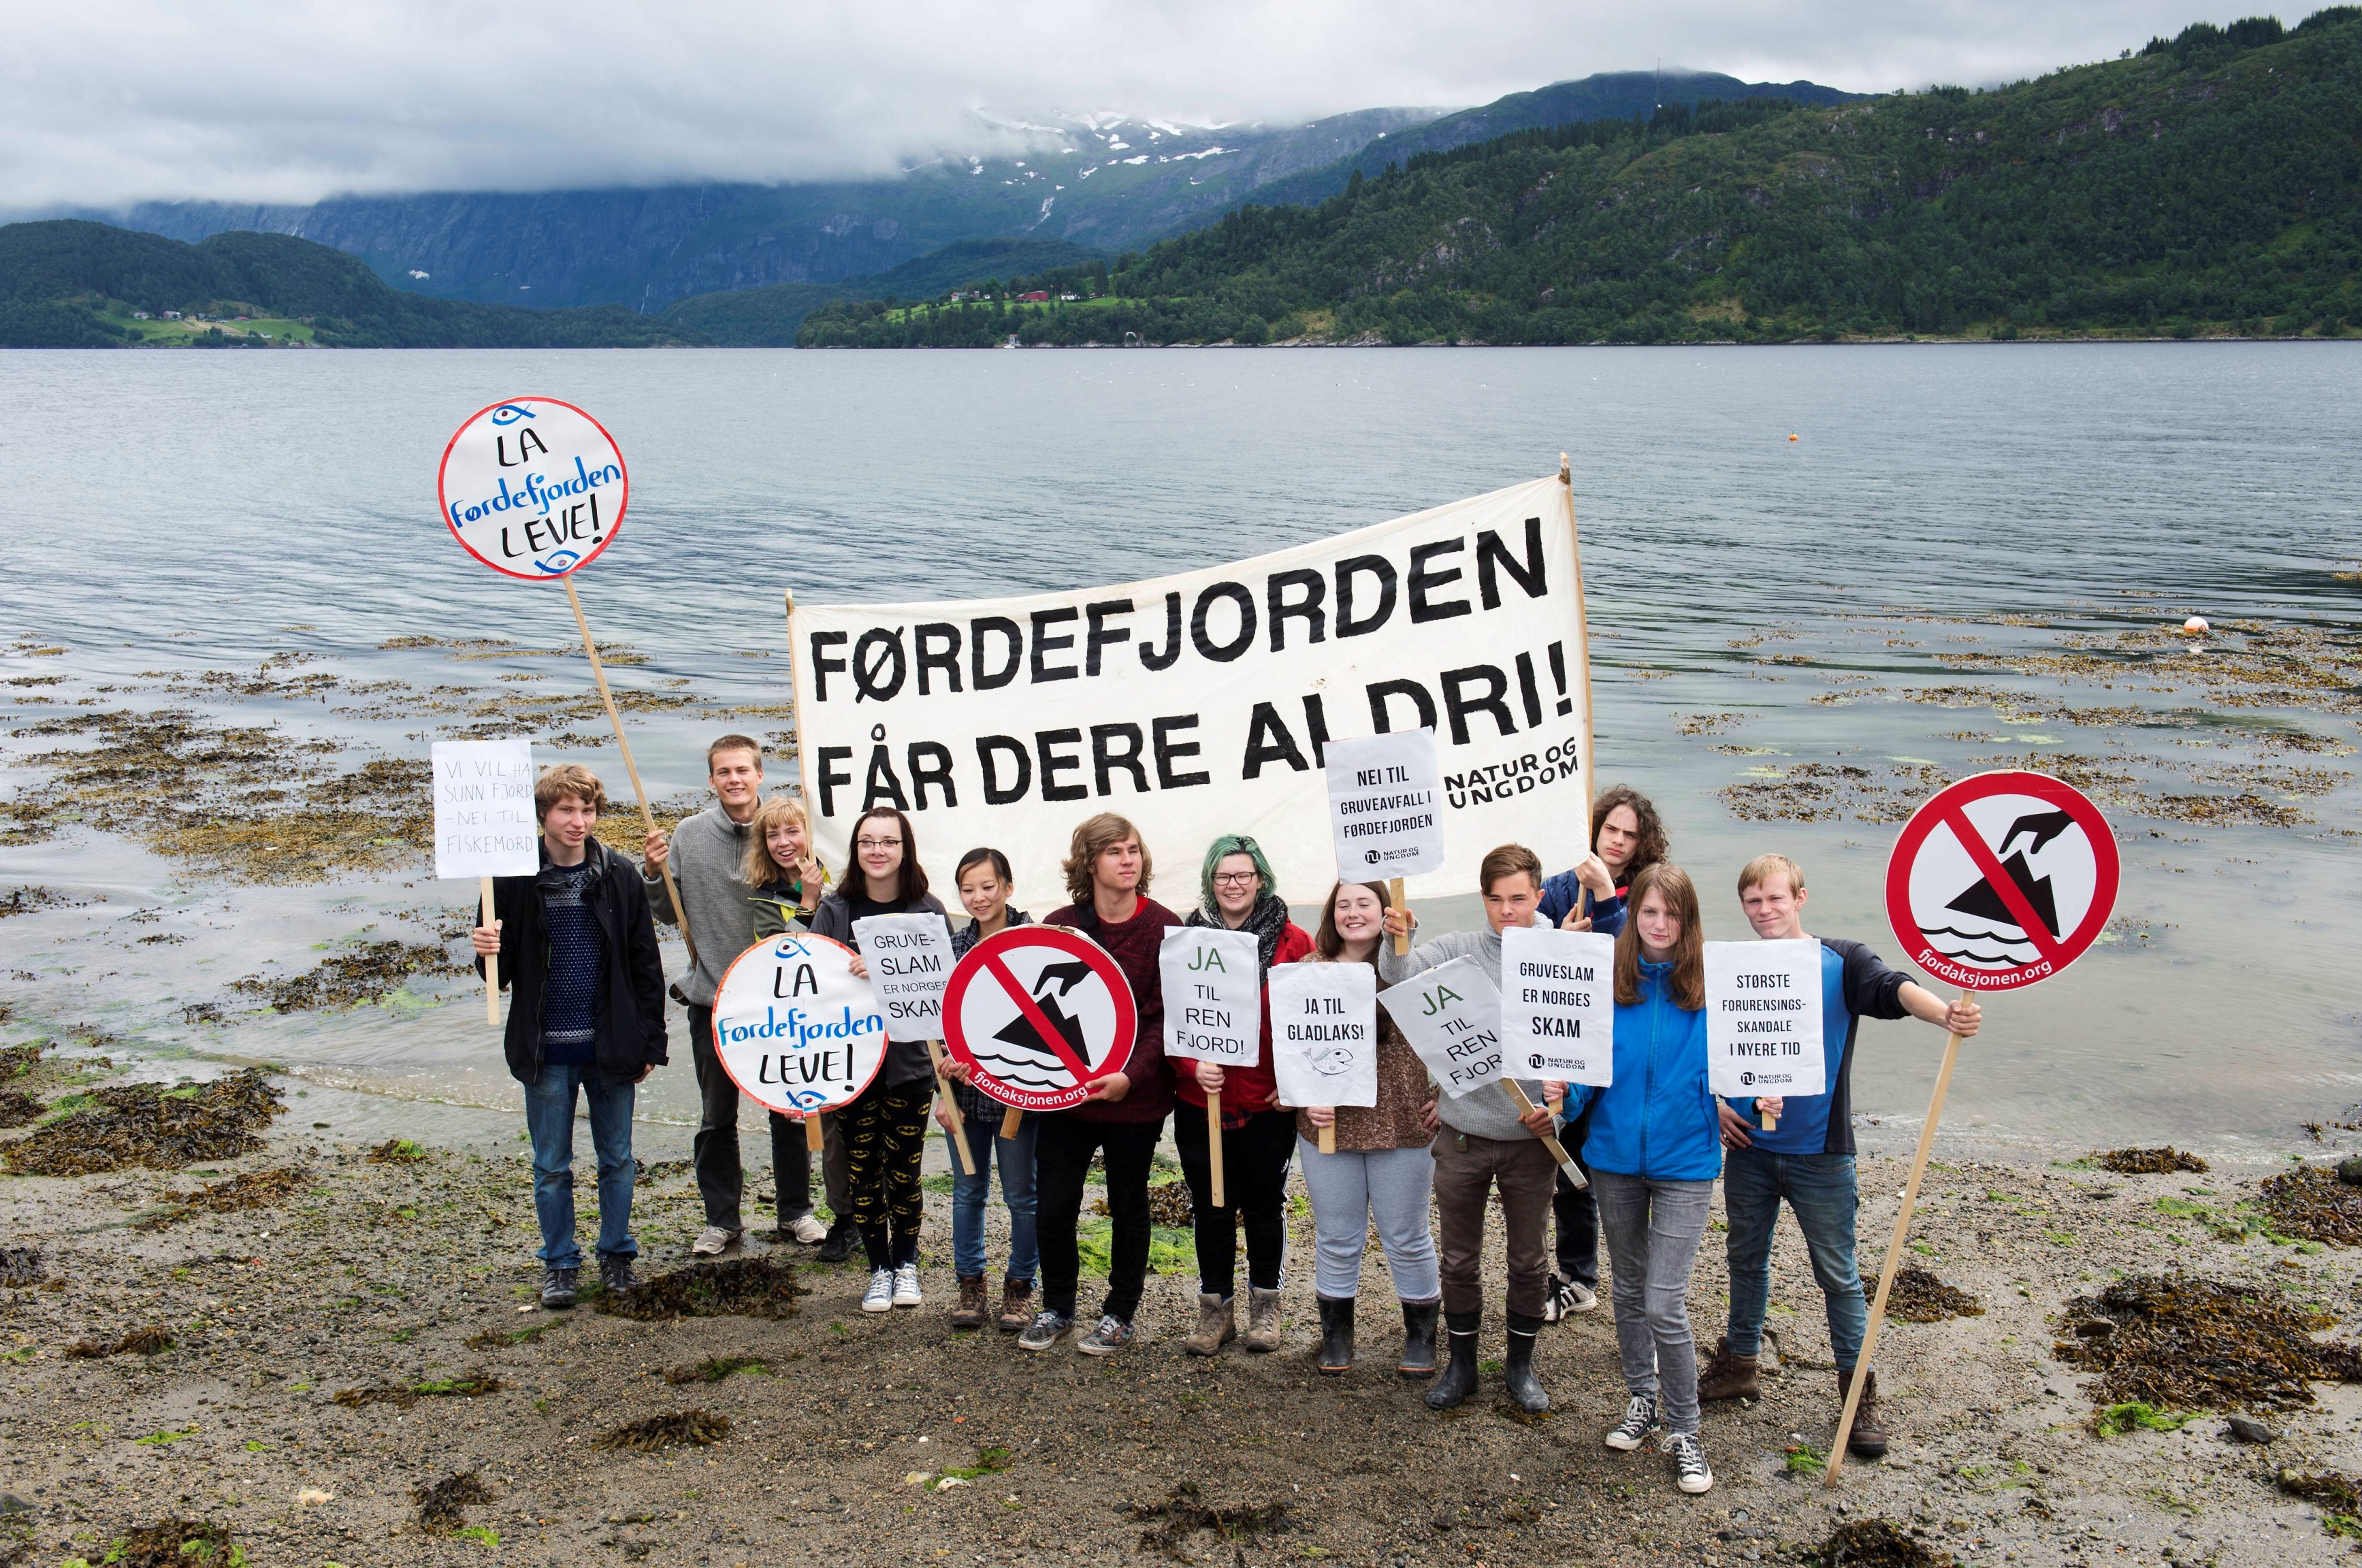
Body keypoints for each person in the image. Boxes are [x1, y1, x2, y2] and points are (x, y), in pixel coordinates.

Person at [1698, 853, 1983, 1460]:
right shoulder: (1732, 966)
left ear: (1800, 898)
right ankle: (1739, 1363)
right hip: (1749, 1148)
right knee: (1745, 1260)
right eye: (1753, 901)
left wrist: (1946, 1015)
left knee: (1839, 1276)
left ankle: (1857, 1396)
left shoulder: (1841, 961)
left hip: (1820, 1154)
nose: (1764, 910)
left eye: (1775, 898)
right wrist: (1716, 1102)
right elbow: (1702, 1044)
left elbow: (1894, 988)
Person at [1378, 844, 1564, 1415]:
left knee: (1528, 1261)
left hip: (1533, 1140)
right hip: (1461, 1136)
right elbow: (1400, 977)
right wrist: (1397, 935)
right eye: (1495, 899)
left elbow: (1588, 1045)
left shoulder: (1564, 954)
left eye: (1518, 898)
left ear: (1537, 895)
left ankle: (1520, 1368)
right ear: (1483, 898)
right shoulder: (1460, 950)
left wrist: (1564, 1104)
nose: (1506, 910)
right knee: (1458, 1258)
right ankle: (1461, 1366)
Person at [472, 764, 667, 1309]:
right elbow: (499, 975)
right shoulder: (509, 879)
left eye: (587, 810)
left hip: (611, 1046)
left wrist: (652, 1042)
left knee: (618, 1159)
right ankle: (559, 1263)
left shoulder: (620, 875)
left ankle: (617, 1254)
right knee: (551, 1165)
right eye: (566, 810)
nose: (578, 821)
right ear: (543, 815)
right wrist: (485, 949)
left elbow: (645, 963)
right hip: (545, 1049)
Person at [643, 736, 840, 1256]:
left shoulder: (787, 832)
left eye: (742, 770)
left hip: (781, 1001)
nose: (734, 779)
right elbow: (667, 912)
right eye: (723, 772)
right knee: (716, 1116)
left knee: (789, 1107)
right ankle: (722, 1219)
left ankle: (796, 1211)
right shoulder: (688, 834)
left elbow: (820, 916)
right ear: (712, 780)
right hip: (713, 996)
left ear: (759, 774)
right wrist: (653, 873)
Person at [1562, 862, 1719, 1497]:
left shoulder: (1712, 991)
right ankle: (1642, 1400)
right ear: (1635, 919)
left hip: (1687, 1164)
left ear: (1688, 922)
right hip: (1615, 1159)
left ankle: (1686, 1431)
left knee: (1664, 1300)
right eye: (1649, 913)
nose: (1659, 925)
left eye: (1672, 915)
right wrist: (1561, 1099)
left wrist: (1758, 1098)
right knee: (1627, 1289)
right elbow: (1582, 1073)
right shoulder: (1608, 985)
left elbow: (1748, 1062)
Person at [1021, 813, 1181, 1356]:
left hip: (1134, 1099)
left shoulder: (1164, 926)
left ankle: (1119, 1314)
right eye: (1114, 852)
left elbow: (1164, 1019)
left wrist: (1129, 1078)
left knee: (1128, 1204)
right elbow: (1033, 1011)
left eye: (1134, 849)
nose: (1129, 860)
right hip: (1065, 1098)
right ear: (1090, 863)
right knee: (1056, 1205)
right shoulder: (1060, 924)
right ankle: (1058, 1306)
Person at [1288, 879, 1442, 1379]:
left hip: (1403, 1121)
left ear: (1387, 911)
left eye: (1365, 904)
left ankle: (1421, 1336)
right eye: (1343, 904)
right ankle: (1336, 1336)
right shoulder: (1309, 973)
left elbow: (1453, 1030)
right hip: (1330, 1125)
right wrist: (1306, 1098)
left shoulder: (1412, 968)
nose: (1353, 914)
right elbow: (1293, 1050)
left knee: (1407, 1234)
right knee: (1336, 1234)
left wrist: (1446, 1096)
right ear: (1331, 912)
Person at [808, 805, 952, 1313]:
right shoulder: (834, 909)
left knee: (904, 1172)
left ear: (905, 849)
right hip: (851, 1064)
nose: (878, 851)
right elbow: (816, 986)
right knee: (862, 1172)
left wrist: (888, 968)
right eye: (868, 841)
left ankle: (907, 1263)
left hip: (910, 1064)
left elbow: (941, 992)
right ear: (855, 850)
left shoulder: (928, 910)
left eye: (889, 842)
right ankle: (878, 1269)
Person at [1174, 835, 1313, 1358]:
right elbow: (1171, 1019)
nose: (1233, 885)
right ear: (1211, 882)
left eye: (1243, 875)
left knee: (1263, 1205)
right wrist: (1191, 1066)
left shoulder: (1292, 942)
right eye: (1223, 876)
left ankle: (1265, 1307)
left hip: (1264, 1106)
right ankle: (1215, 1312)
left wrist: (1297, 1079)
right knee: (1210, 1208)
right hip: (1199, 1103)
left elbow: (1312, 1016)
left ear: (1261, 880)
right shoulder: (1187, 940)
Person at [1534, 785, 1668, 1322]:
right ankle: (1574, 1275)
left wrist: (1609, 901)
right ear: (1594, 829)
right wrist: (1558, 943)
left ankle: (1617, 1284)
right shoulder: (1557, 887)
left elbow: (1634, 965)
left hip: (1620, 1047)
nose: (1617, 840)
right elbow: (1529, 963)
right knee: (1562, 1160)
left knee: (1605, 1166)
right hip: (1563, 1040)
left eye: (1629, 835)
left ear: (1642, 844)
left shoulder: (1649, 891)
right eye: (1610, 829)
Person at [933, 848, 1041, 1333]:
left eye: (988, 887)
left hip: (1020, 1096)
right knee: (967, 1191)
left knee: (1022, 1196)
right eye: (968, 889)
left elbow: (1043, 1023)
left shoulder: (1035, 942)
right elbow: (938, 1023)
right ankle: (970, 1284)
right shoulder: (953, 947)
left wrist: (982, 1062)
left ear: (1009, 888)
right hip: (965, 1098)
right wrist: (943, 1089)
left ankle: (1020, 1288)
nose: (978, 897)